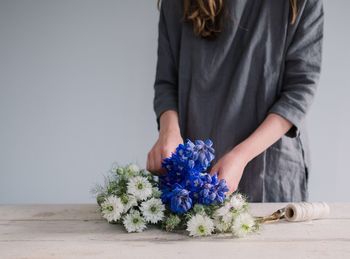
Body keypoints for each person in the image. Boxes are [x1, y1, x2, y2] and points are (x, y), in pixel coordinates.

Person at [147, 0, 324, 202]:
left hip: (269, 169)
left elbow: (299, 91)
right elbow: (166, 82)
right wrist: (168, 133)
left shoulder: (301, 3)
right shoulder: (179, 3)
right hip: (195, 168)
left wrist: (241, 156)